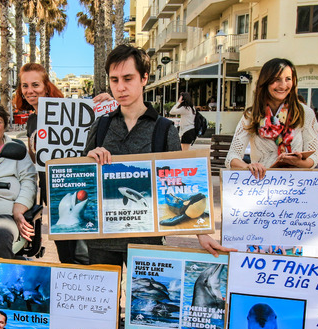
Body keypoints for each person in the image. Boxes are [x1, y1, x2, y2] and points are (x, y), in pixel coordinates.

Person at [84, 44, 232, 265]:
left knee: (145, 299)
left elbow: (178, 183)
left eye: (128, 78)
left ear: (144, 78)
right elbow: (83, 179)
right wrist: (89, 159)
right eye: (114, 80)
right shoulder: (101, 125)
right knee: (105, 300)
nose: (121, 87)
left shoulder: (164, 128)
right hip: (102, 240)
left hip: (147, 238)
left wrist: (202, 232)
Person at [13, 63, 85, 264]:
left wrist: (108, 102)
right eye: (24, 86)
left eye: (35, 84)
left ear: (46, 86)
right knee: (65, 252)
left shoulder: (68, 112)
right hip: (51, 192)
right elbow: (35, 157)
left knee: (83, 252)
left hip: (76, 189)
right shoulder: (32, 120)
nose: (29, 90)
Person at [225, 57, 318, 180]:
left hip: (295, 186)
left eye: (288, 79)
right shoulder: (252, 115)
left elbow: (314, 157)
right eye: (277, 80)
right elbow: (231, 157)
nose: (283, 85)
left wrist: (298, 163)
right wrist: (248, 167)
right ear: (265, 82)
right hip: (260, 185)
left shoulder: (305, 113)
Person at [0, 103, 38, 259]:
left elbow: (29, 181)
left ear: (4, 126)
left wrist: (19, 208)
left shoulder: (17, 150)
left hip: (3, 215)